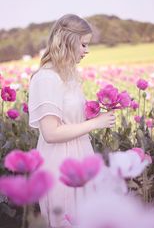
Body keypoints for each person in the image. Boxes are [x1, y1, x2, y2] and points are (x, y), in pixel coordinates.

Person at [28, 14, 116, 228]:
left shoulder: (69, 75)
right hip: (59, 163)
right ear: (68, 40)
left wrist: (93, 115)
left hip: (80, 155)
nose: (87, 51)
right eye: (84, 44)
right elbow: (51, 133)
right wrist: (96, 123)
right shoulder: (47, 78)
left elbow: (69, 120)